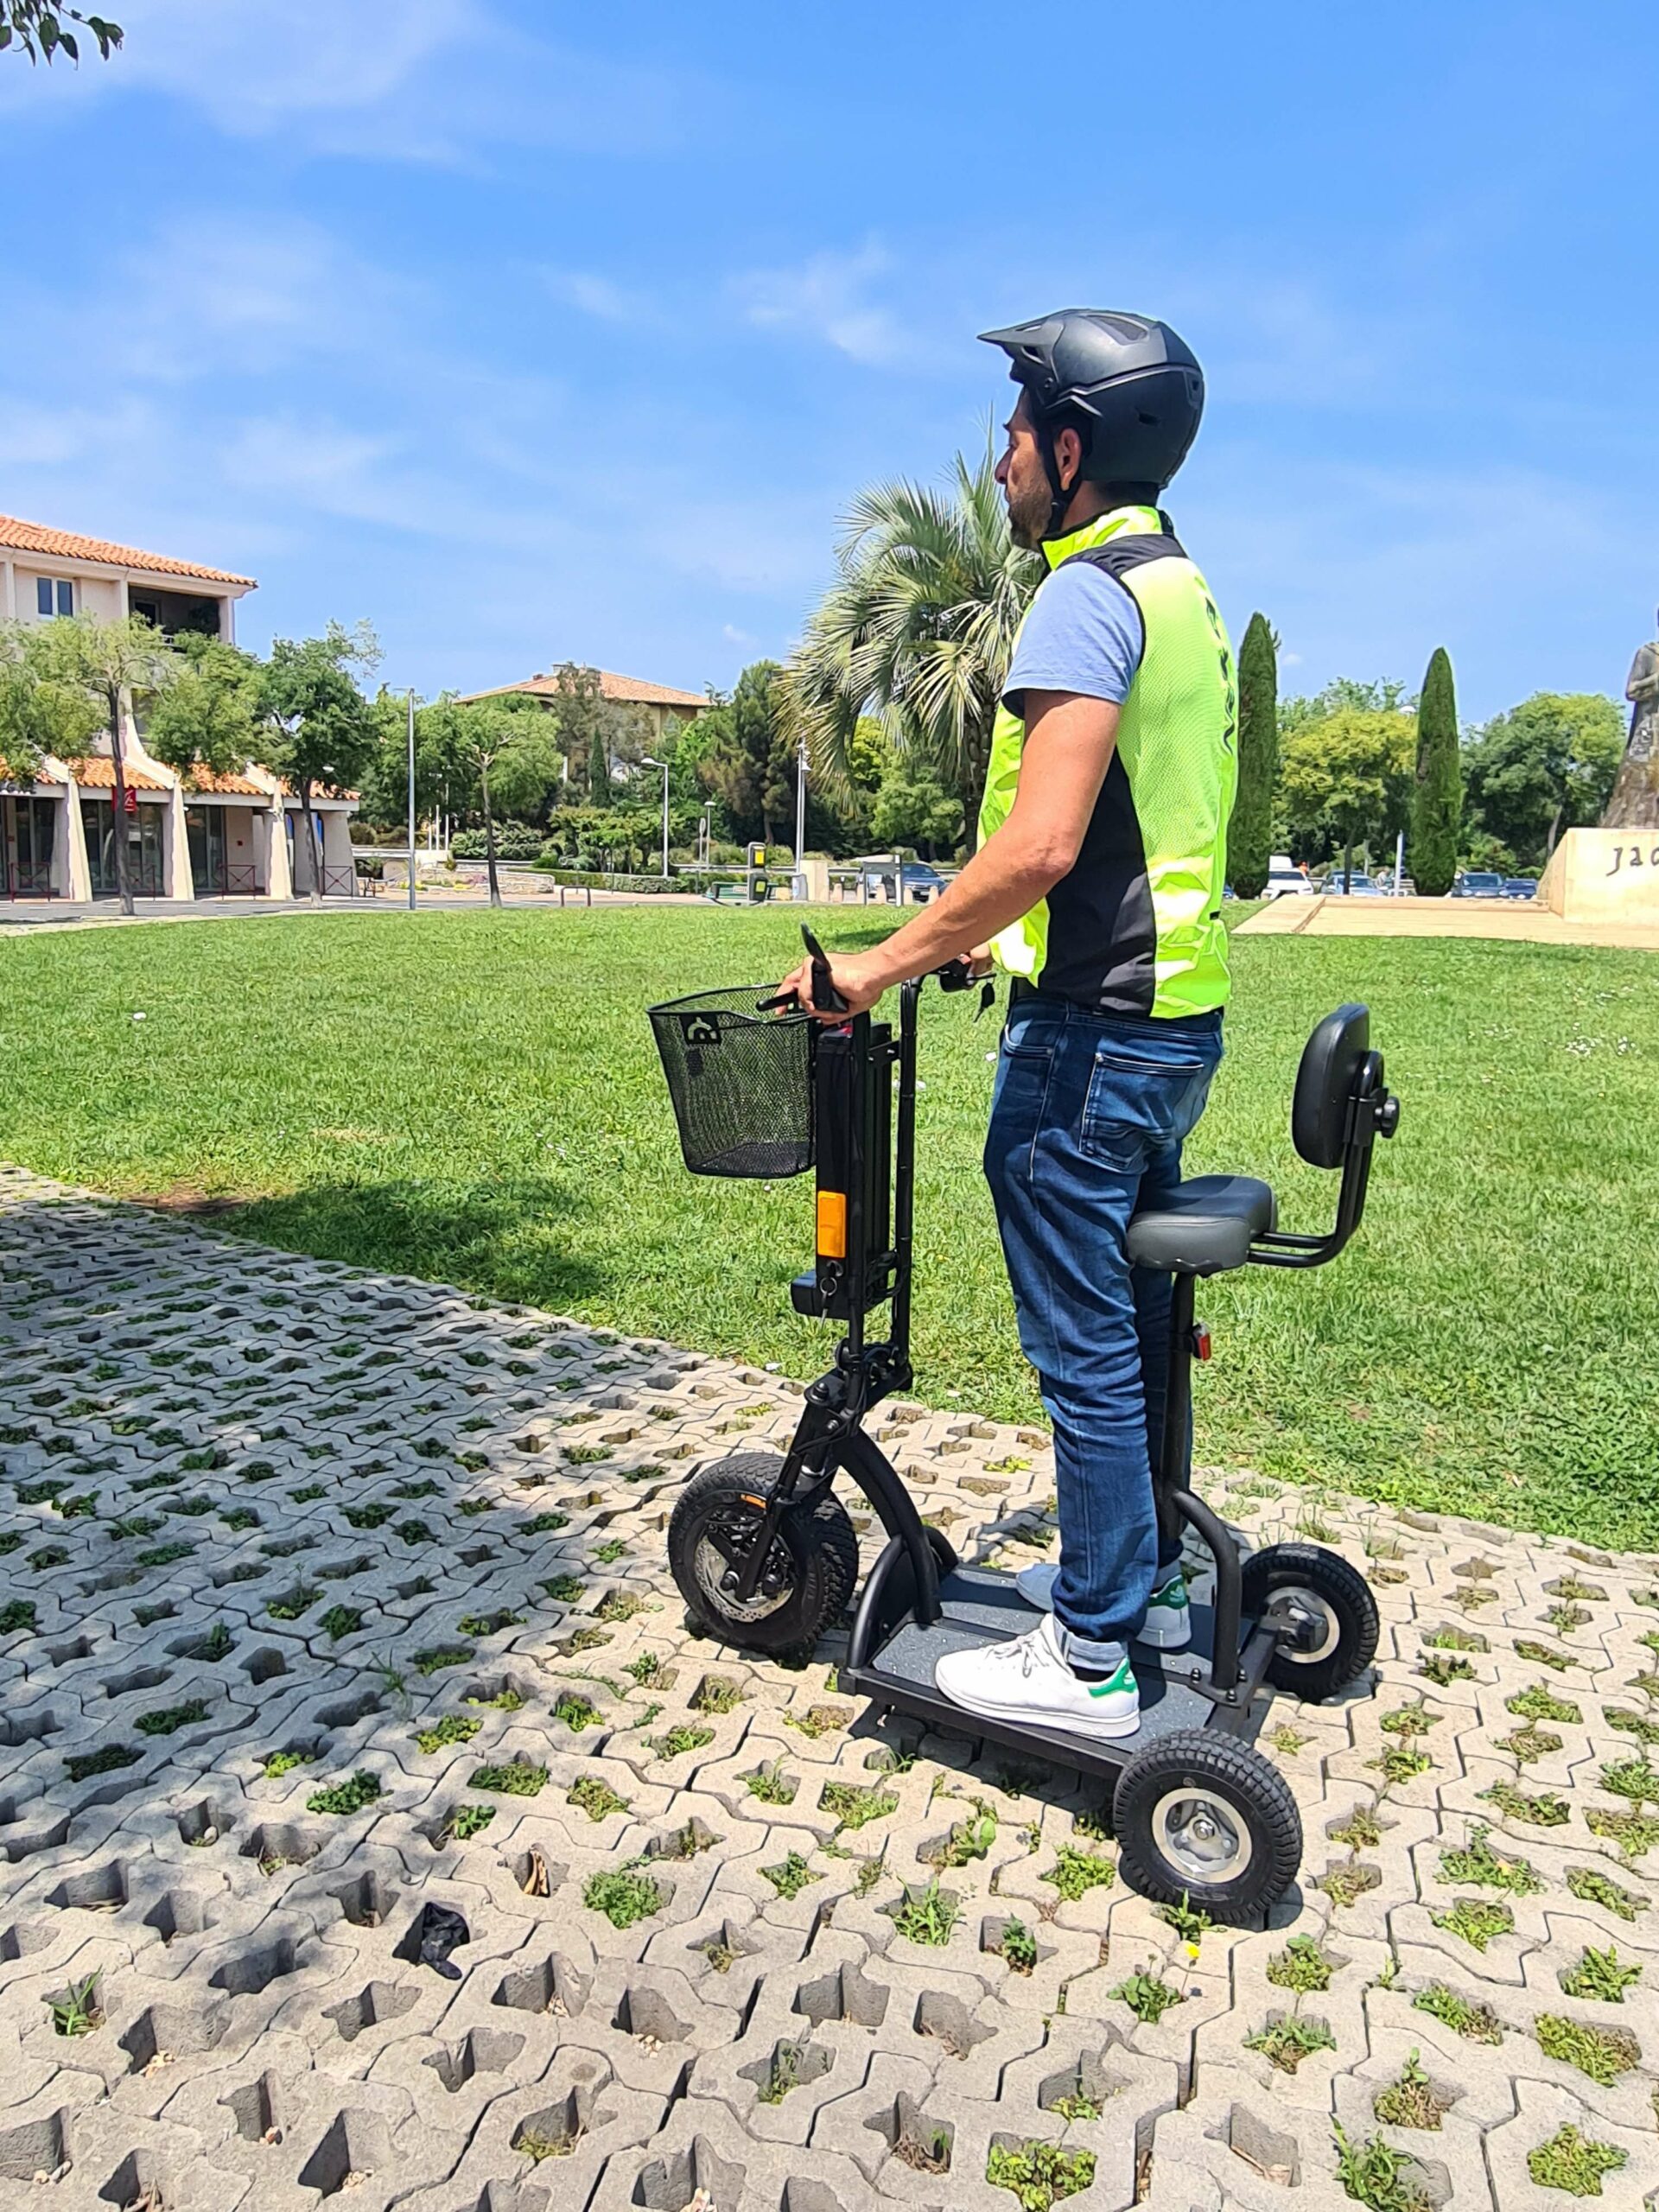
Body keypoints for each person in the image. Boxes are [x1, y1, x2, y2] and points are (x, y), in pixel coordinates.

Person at [778, 308, 1236, 1741]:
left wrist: (879, 965)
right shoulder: (1184, 592)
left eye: (1015, 433)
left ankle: (1091, 1653)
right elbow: (1120, 835)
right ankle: (1146, 1580)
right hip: (1174, 1025)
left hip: (1093, 1046)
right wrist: (994, 946)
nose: (997, 465)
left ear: (1074, 446)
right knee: (1137, 1324)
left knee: (1083, 1345)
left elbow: (1042, 843)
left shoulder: (1086, 591)